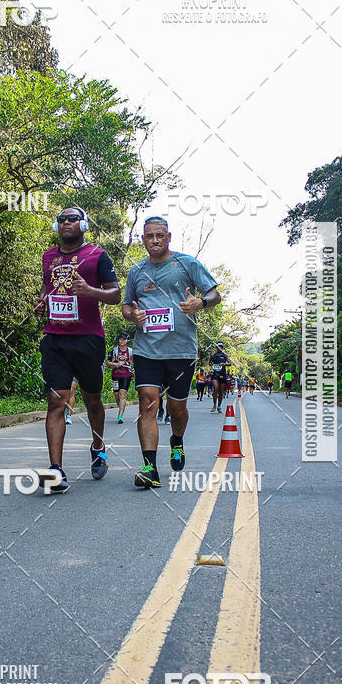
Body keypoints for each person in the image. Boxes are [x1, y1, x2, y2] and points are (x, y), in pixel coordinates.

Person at [122, 216, 220, 488]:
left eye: (160, 235)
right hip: (146, 349)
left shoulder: (187, 264)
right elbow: (126, 307)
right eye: (149, 236)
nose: (154, 240)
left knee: (177, 407)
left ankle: (177, 439)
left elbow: (214, 294)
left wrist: (200, 302)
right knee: (148, 403)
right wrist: (133, 316)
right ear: (143, 239)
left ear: (168, 237)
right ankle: (149, 467)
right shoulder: (136, 271)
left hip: (181, 350)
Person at [35, 206, 120, 493]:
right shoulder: (48, 256)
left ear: (83, 223)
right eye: (62, 219)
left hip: (88, 338)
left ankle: (97, 446)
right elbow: (49, 290)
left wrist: (91, 292)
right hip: (55, 338)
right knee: (56, 400)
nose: (66, 222)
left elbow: (115, 294)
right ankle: (55, 470)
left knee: (92, 400)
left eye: (72, 218)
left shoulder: (97, 256)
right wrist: (41, 303)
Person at [106, 333, 133, 423]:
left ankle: (120, 416)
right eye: (120, 339)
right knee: (117, 396)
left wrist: (134, 370)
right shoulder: (114, 350)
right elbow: (108, 363)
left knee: (122, 394)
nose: (122, 341)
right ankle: (120, 409)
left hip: (126, 375)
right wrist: (116, 364)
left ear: (127, 341)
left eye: (124, 339)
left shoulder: (131, 351)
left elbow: (135, 362)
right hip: (115, 375)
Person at [210, 341, 231, 413]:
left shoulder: (225, 355)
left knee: (221, 392)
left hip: (222, 375)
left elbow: (230, 363)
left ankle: (219, 406)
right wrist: (211, 363)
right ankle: (214, 405)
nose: (220, 348)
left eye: (221, 347)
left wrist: (224, 364)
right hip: (215, 374)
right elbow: (209, 363)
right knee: (215, 388)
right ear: (216, 347)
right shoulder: (213, 355)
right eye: (219, 346)